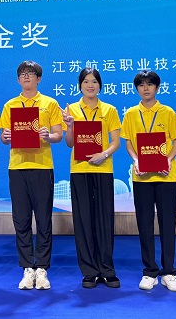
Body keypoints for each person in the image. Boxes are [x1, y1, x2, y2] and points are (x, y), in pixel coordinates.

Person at [121, 70, 176, 292]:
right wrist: (136, 160)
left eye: (150, 84)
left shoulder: (167, 112)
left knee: (168, 224)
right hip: (141, 178)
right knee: (145, 224)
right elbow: (128, 143)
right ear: (137, 89)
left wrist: (168, 159)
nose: (145, 88)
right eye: (141, 85)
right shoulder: (131, 114)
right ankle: (149, 271)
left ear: (157, 87)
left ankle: (169, 272)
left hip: (166, 177)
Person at [0, 60, 63, 290]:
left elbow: (58, 135)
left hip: (42, 166)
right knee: (21, 219)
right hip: (17, 167)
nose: (26, 77)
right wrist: (5, 137)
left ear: (39, 78)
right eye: (22, 74)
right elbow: (4, 137)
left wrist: (48, 136)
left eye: (31, 73)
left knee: (44, 219)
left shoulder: (50, 103)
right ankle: (27, 267)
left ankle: (42, 268)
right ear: (18, 79)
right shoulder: (10, 105)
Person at [62, 68, 121, 289]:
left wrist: (103, 154)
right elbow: (69, 143)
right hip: (79, 170)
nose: (90, 85)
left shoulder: (109, 110)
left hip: (103, 170)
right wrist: (70, 126)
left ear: (100, 85)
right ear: (80, 85)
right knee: (83, 220)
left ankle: (107, 269)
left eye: (94, 81)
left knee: (104, 220)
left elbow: (115, 142)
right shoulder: (72, 109)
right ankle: (89, 271)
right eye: (86, 81)